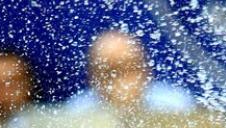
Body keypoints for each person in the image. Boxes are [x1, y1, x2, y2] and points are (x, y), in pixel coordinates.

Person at [65, 30, 194, 113]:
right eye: (111, 72)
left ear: (146, 70)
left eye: (129, 70)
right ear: (93, 77)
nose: (122, 84)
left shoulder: (175, 107)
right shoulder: (77, 114)